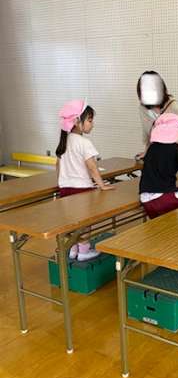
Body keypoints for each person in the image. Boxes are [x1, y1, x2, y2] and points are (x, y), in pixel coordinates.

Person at [56, 99, 114, 261]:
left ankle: (73, 249)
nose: (92, 124)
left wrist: (61, 181)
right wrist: (102, 185)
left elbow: (58, 165)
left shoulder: (64, 141)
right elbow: (92, 167)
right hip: (81, 189)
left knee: (72, 221)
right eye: (89, 120)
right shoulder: (84, 142)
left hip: (65, 188)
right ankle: (83, 251)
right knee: (85, 223)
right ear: (77, 122)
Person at [137, 71, 178, 157]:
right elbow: (147, 133)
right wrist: (146, 152)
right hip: (156, 154)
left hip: (174, 155)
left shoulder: (175, 107)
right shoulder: (143, 108)